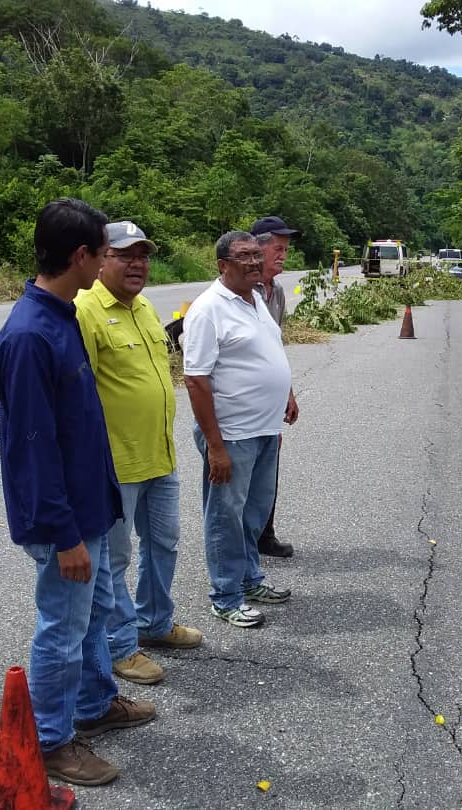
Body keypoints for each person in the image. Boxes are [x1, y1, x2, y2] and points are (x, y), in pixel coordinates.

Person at [0, 199, 154, 787]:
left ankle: (94, 703)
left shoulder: (60, 316)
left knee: (92, 617)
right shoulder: (30, 335)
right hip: (64, 519)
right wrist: (64, 536)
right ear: (83, 256)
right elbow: (34, 448)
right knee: (62, 627)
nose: (111, 262)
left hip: (90, 508)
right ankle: (53, 740)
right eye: (107, 252)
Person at [75, 221, 203, 689]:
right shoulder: (85, 310)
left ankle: (155, 621)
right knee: (115, 559)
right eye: (125, 255)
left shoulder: (146, 306)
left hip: (160, 455)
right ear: (99, 258)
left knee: (164, 544)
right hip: (115, 464)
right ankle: (120, 646)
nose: (137, 264)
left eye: (143, 256)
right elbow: (77, 393)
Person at [183, 231, 298, 628]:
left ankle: (250, 580)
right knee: (225, 517)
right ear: (222, 265)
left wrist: (287, 393)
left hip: (264, 428)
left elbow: (270, 350)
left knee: (254, 512)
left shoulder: (257, 300)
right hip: (231, 433)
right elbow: (196, 379)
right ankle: (226, 595)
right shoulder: (208, 309)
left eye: (255, 255)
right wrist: (215, 446)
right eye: (244, 257)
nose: (254, 262)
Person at [250, 215, 300, 558]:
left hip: (269, 398)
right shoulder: (240, 290)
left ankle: (264, 534)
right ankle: (240, 543)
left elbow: (275, 347)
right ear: (257, 249)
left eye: (285, 249)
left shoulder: (277, 292)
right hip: (244, 399)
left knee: (269, 467)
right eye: (277, 249)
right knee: (241, 475)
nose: (283, 255)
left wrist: (287, 392)